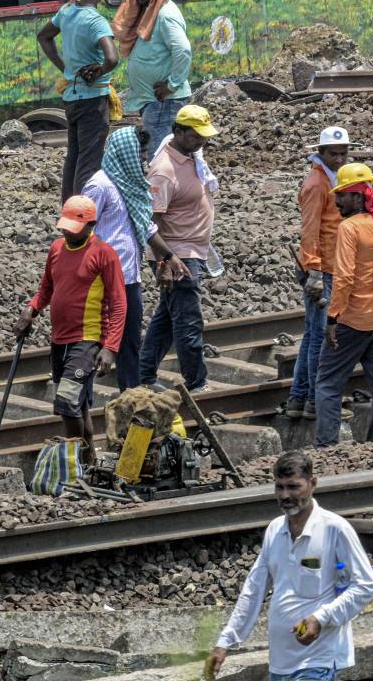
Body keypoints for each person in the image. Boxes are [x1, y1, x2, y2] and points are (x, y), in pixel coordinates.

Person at [209, 453, 373, 681]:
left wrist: (321, 618)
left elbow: (366, 585)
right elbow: (254, 589)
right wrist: (225, 641)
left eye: (293, 487)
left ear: (313, 483)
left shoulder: (335, 529)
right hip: (280, 661)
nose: (285, 495)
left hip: (318, 657)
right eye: (279, 487)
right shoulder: (275, 530)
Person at [15, 195, 126, 465]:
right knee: (78, 406)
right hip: (60, 339)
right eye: (64, 226)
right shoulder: (56, 249)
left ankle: (72, 463)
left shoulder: (103, 253)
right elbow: (46, 289)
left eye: (73, 228)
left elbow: (119, 304)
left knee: (66, 402)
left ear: (91, 225)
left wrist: (110, 347)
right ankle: (88, 460)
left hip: (87, 338)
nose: (66, 231)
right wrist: (31, 309)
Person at [81, 124, 174, 392]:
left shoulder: (131, 185)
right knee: (97, 341)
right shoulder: (99, 186)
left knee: (130, 341)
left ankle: (130, 398)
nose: (144, 158)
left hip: (129, 277)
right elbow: (81, 230)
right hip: (103, 280)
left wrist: (167, 256)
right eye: (140, 152)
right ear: (125, 152)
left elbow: (145, 226)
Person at [315, 163, 373, 447]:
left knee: (328, 383)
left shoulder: (349, 228)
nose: (337, 201)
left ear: (357, 196)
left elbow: (344, 279)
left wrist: (332, 319)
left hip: (353, 320)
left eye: (342, 195)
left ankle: (327, 446)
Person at [139, 105, 221, 392]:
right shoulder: (163, 171)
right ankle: (197, 383)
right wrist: (164, 263)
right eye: (195, 136)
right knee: (188, 321)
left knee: (166, 318)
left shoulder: (190, 155)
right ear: (177, 132)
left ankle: (144, 375)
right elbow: (152, 223)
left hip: (190, 250)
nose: (201, 141)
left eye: (203, 136)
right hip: (177, 256)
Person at [284, 127, 352, 421]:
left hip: (329, 265)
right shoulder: (316, 183)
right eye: (333, 153)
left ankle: (298, 398)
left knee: (313, 335)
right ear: (321, 153)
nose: (338, 158)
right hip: (321, 268)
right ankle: (316, 401)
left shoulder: (332, 177)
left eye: (342, 152)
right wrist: (312, 269)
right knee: (322, 338)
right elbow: (310, 229)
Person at [37, 0, 118, 201]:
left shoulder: (66, 12)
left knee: (74, 157)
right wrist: (101, 70)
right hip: (92, 100)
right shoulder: (96, 22)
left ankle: (69, 213)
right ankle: (82, 221)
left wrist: (65, 68)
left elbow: (44, 37)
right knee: (89, 162)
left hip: (71, 98)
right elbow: (112, 59)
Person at [114, 0, 193, 162]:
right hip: (155, 102)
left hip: (164, 102)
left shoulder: (165, 14)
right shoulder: (149, 11)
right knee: (165, 156)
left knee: (160, 159)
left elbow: (183, 50)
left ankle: (167, 192)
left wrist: (172, 85)